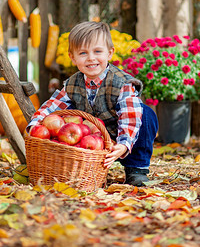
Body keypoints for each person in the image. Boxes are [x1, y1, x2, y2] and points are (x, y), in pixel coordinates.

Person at [27, 21, 158, 186]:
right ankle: (82, 170)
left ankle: (136, 169)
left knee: (145, 114)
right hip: (89, 137)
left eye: (97, 51)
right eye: (83, 53)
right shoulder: (72, 84)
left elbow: (129, 115)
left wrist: (124, 144)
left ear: (110, 53)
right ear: (72, 57)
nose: (91, 58)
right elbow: (53, 105)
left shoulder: (121, 82)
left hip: (122, 133)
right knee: (67, 113)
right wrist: (35, 123)